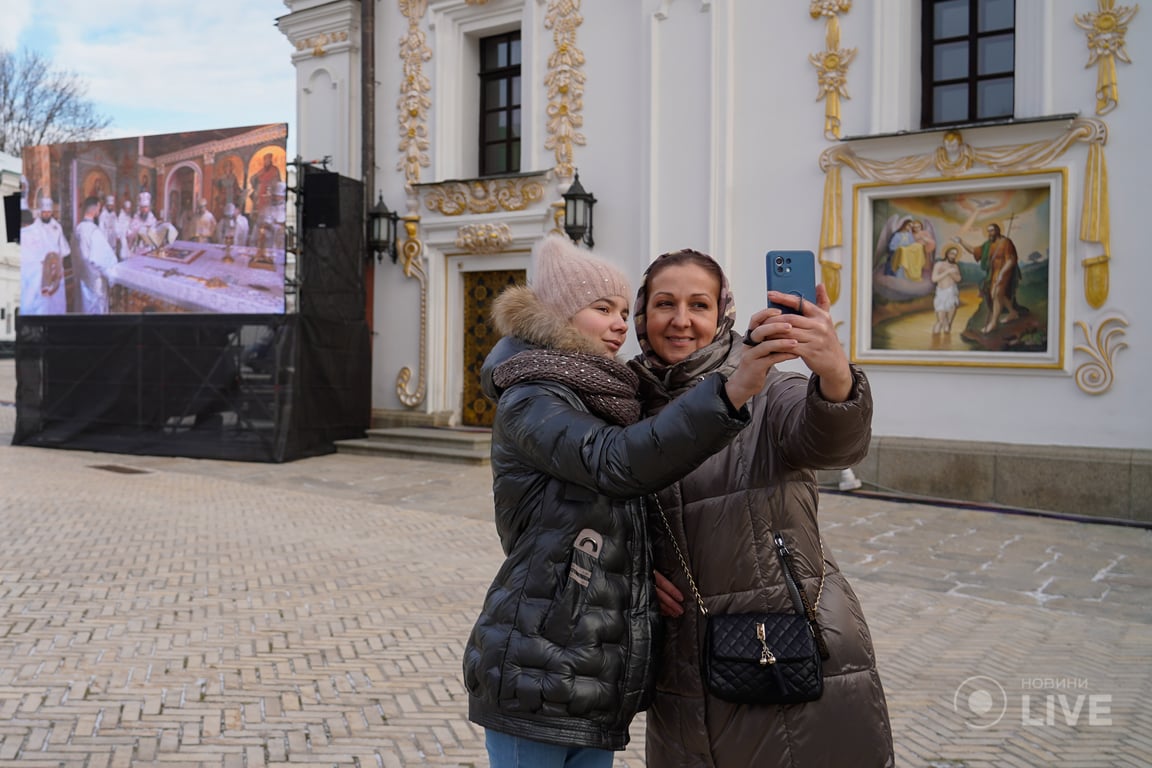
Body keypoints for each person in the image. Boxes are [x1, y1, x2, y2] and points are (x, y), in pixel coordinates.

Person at [463, 234, 783, 768]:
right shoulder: (532, 395)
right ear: (559, 317)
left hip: (592, 673)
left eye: (620, 309)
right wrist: (731, 391)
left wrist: (636, 568)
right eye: (601, 309)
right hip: (536, 663)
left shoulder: (606, 393)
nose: (619, 323)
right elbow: (617, 463)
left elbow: (600, 517)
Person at [632, 249, 893, 768]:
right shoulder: (626, 401)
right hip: (683, 655)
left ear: (722, 314)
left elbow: (831, 445)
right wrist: (633, 570)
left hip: (786, 643)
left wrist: (835, 376)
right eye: (665, 303)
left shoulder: (767, 384)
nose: (680, 320)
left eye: (698, 305)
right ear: (642, 316)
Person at [953, 222, 1022, 334]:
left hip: (1005, 270)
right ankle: (1012, 313)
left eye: (992, 230)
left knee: (996, 294)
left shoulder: (1006, 242)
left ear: (998, 231)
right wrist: (961, 242)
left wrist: (1002, 274)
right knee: (998, 294)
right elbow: (974, 251)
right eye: (988, 231)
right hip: (993, 272)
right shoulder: (988, 245)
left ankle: (993, 323)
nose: (990, 233)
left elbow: (1011, 260)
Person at [19, 197, 70, 315]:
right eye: (44, 212)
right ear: (40, 212)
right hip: (39, 271)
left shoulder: (57, 227)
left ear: (52, 212)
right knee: (42, 301)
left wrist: (59, 267)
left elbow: (61, 249)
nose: (46, 214)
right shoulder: (34, 228)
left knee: (56, 301)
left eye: (48, 212)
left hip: (54, 269)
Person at [70, 196, 120, 314]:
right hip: (94, 283)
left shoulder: (77, 228)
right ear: (97, 207)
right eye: (99, 207)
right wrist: (113, 274)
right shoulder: (94, 232)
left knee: (82, 307)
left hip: (81, 277)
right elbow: (103, 261)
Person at [931, 243, 963, 334]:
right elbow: (934, 279)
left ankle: (946, 345)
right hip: (941, 294)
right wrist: (947, 272)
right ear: (947, 253)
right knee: (940, 322)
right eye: (952, 253)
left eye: (955, 254)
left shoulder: (955, 266)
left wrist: (951, 273)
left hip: (952, 294)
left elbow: (958, 279)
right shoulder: (939, 264)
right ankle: (934, 345)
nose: (953, 256)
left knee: (948, 325)